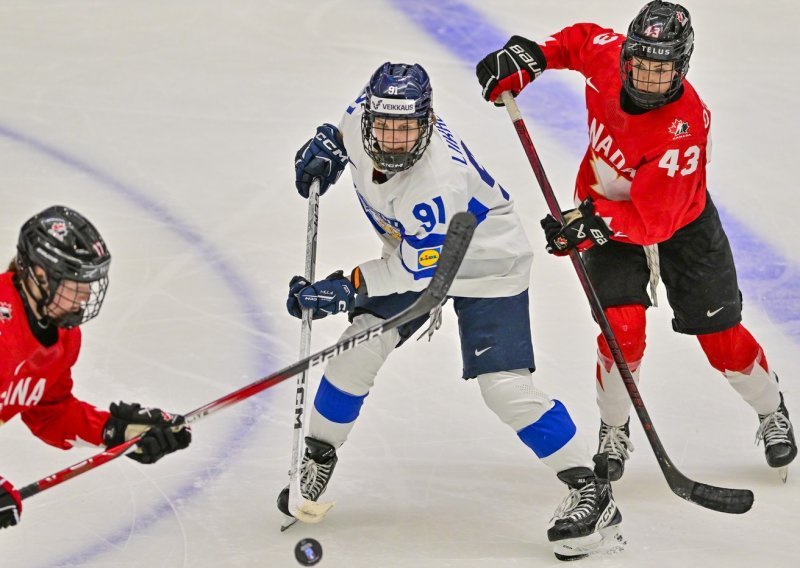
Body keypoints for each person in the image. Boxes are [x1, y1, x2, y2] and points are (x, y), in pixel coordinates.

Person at [279, 61, 622, 559]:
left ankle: (591, 491)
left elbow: (417, 276)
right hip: (416, 253)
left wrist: (343, 288)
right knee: (356, 348)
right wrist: (328, 142)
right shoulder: (362, 118)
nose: (394, 139)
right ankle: (315, 457)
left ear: (427, 121)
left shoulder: (435, 184)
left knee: (505, 390)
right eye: (385, 125)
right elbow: (343, 129)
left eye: (407, 128)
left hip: (486, 263)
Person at [475, 0, 796, 482]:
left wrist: (587, 223)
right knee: (622, 331)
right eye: (640, 63)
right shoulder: (610, 57)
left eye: (661, 70)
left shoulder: (681, 131)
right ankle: (614, 428)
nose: (646, 77)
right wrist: (535, 57)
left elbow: (653, 225)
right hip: (602, 207)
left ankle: (771, 409)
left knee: (722, 340)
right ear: (627, 54)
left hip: (678, 222)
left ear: (681, 67)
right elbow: (582, 40)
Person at [0, 205, 192, 530]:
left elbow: (50, 412)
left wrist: (113, 431)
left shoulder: (64, 337)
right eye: (76, 282)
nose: (87, 292)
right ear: (41, 275)